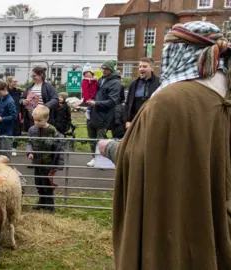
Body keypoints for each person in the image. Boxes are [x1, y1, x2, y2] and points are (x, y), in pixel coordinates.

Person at [99, 22, 231, 269]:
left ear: (180, 51)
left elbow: (139, 156)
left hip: (174, 215)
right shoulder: (224, 93)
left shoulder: (170, 100)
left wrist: (110, 148)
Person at [26, 105, 64, 213]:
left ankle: (50, 205)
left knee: (47, 184)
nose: (37, 123)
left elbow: (58, 144)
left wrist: (56, 164)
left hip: (48, 163)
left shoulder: (52, 130)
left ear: (46, 119)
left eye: (39, 120)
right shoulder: (32, 129)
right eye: (35, 120)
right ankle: (41, 202)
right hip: (37, 162)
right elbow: (29, 142)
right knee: (38, 183)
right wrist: (29, 152)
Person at [86, 60, 121, 167]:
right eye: (103, 68)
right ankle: (95, 157)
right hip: (93, 113)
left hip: (104, 115)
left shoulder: (116, 83)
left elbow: (113, 101)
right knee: (91, 137)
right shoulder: (101, 79)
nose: (104, 70)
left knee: (100, 138)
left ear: (111, 69)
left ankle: (102, 160)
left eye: (106, 69)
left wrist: (96, 103)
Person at [124, 57, 160, 129]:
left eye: (144, 66)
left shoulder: (159, 84)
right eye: (140, 66)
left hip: (152, 121)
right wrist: (127, 120)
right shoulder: (134, 84)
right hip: (135, 121)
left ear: (152, 68)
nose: (141, 69)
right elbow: (128, 103)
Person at [21, 66, 59, 133]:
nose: (33, 78)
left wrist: (45, 106)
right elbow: (21, 98)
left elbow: (55, 99)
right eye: (32, 76)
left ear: (41, 75)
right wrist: (23, 101)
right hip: (31, 119)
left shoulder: (48, 87)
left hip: (44, 119)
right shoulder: (30, 87)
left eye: (34, 76)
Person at [0, 81, 17, 157]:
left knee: (6, 152)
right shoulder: (0, 99)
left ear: (5, 89)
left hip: (7, 130)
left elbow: (14, 116)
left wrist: (2, 119)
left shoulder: (10, 101)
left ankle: (8, 167)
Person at [7, 76, 24, 156]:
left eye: (16, 81)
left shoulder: (19, 91)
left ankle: (14, 148)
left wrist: (22, 114)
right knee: (8, 131)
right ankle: (7, 147)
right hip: (8, 114)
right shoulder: (6, 91)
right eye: (14, 81)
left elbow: (21, 103)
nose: (16, 83)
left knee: (16, 132)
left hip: (17, 113)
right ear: (9, 82)